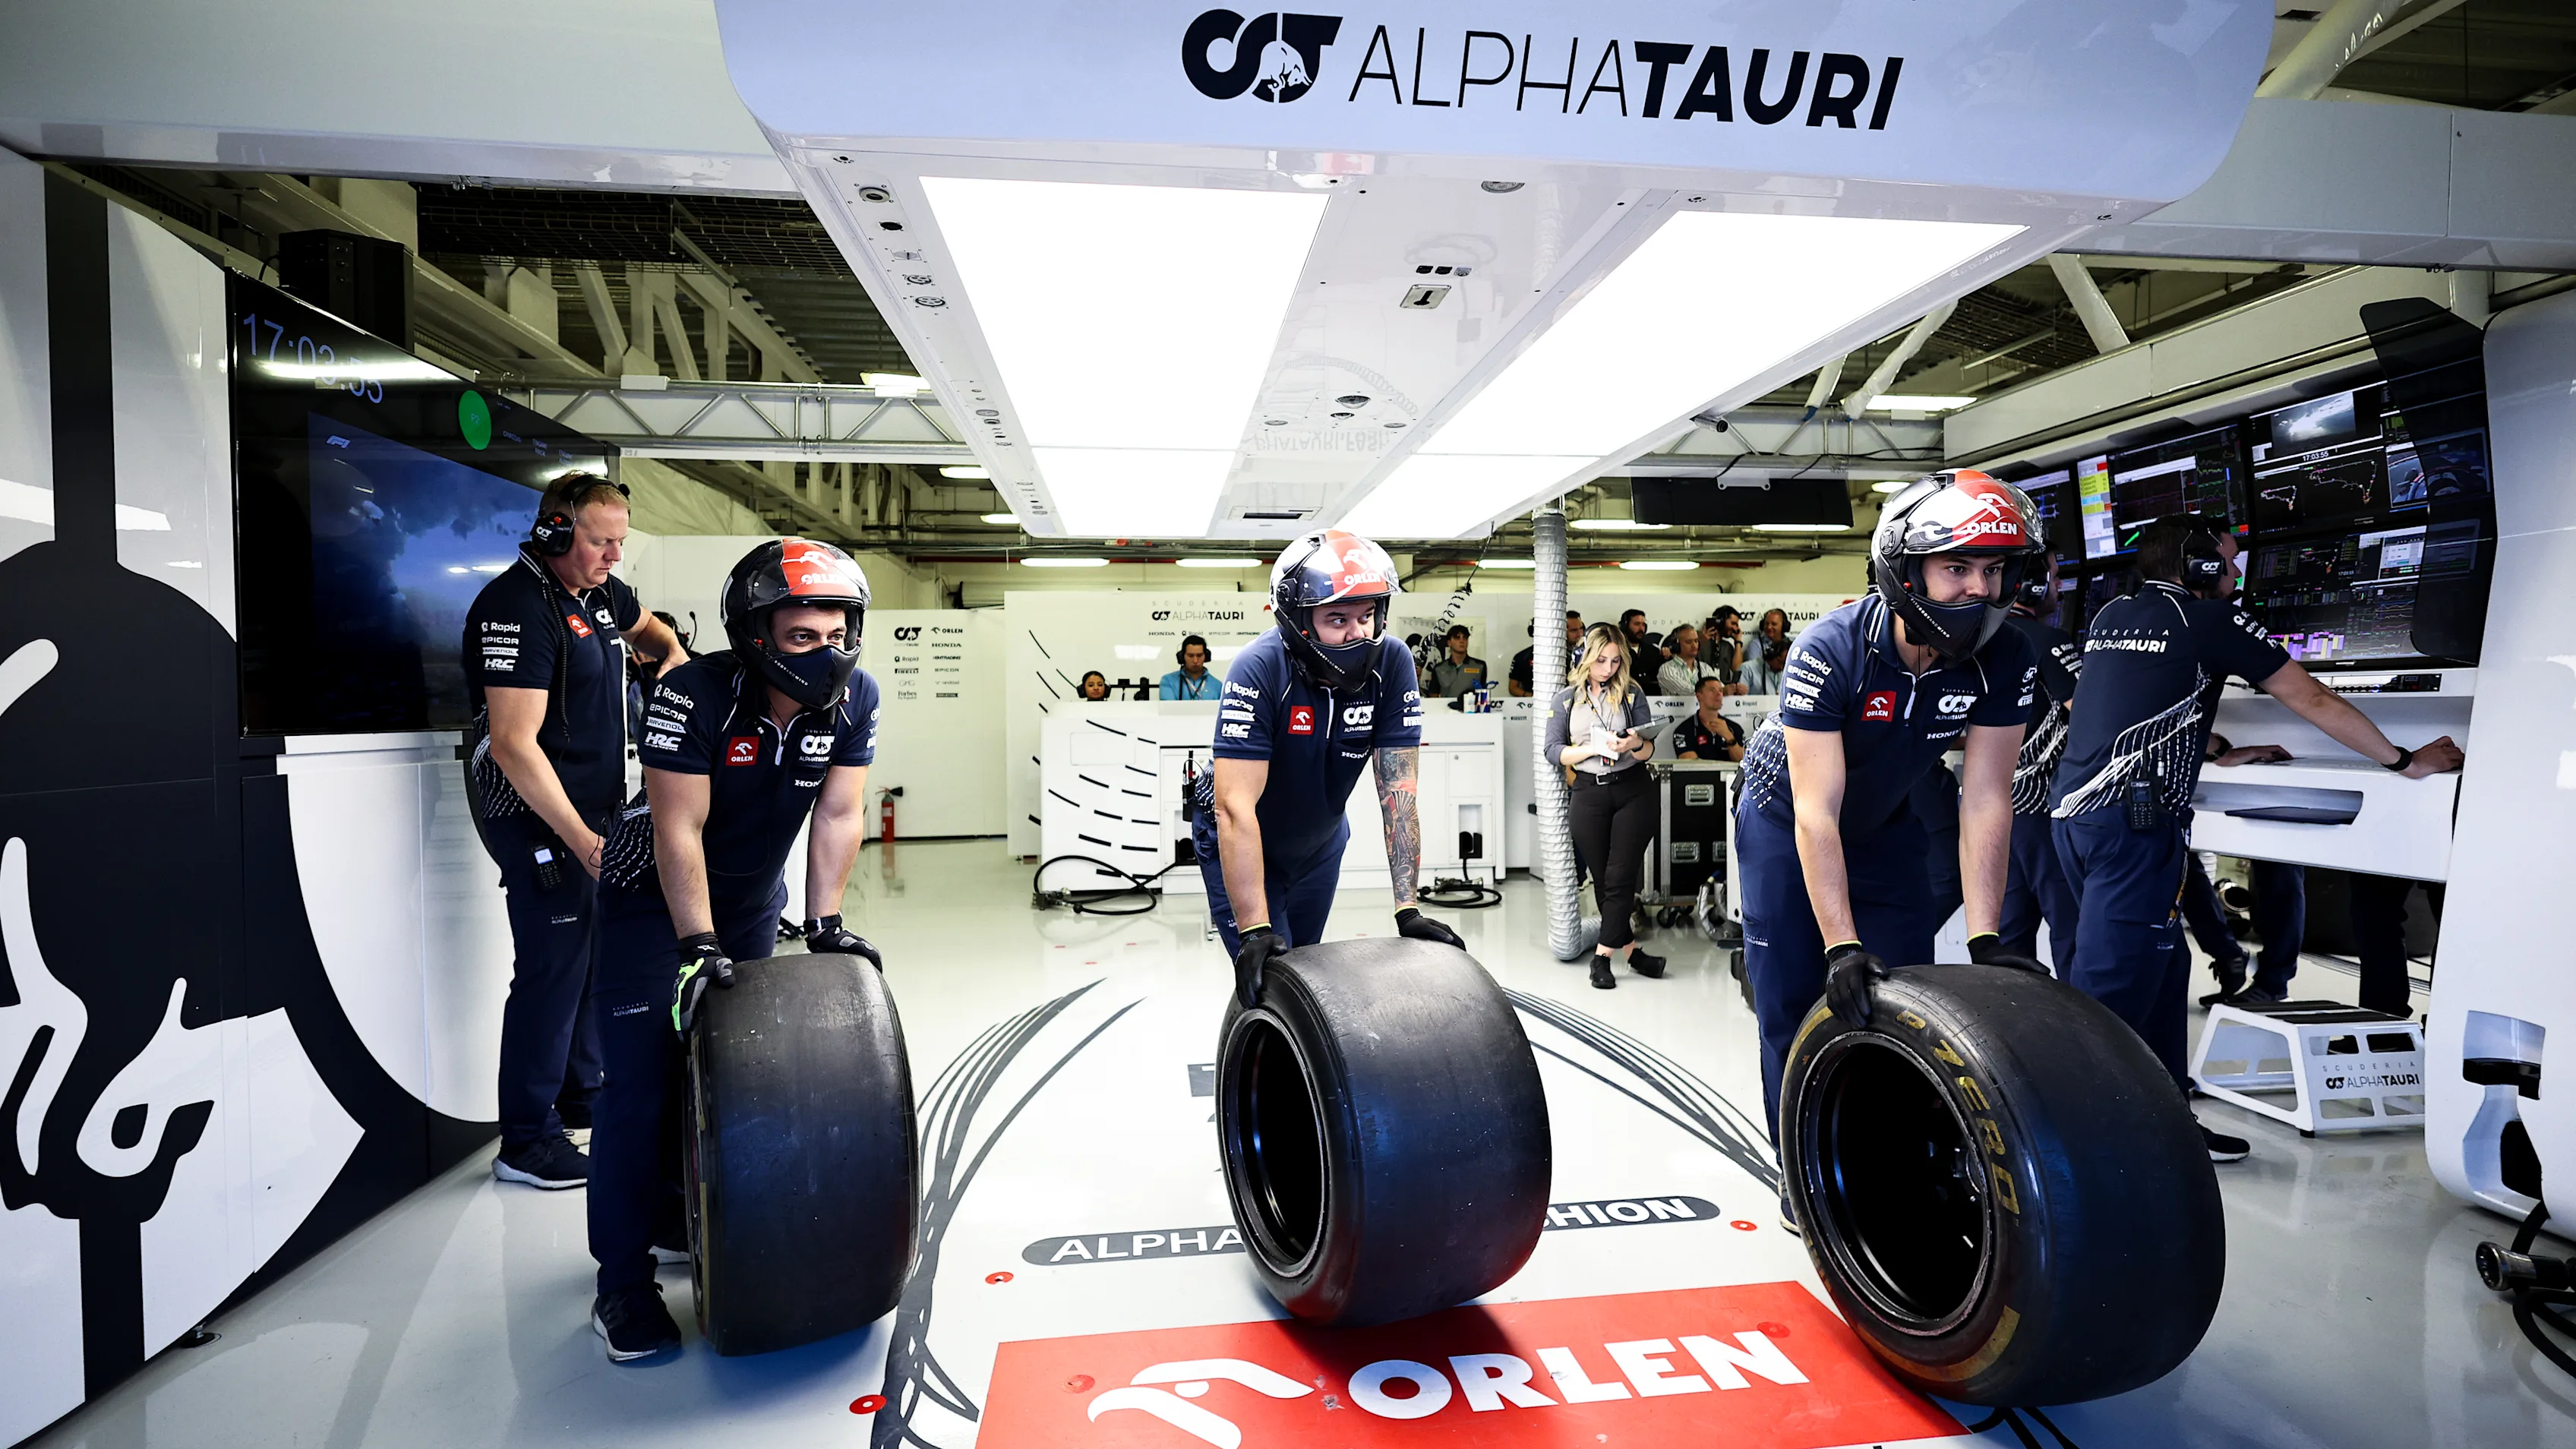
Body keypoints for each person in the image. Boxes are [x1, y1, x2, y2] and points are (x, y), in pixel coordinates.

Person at [2050, 516, 2463, 1163]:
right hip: (2137, 826)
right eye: (2230, 560)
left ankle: (2168, 1121)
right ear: (2200, 566)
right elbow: (2314, 700)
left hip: (2078, 816)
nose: (2238, 574)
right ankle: (2078, 1148)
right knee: (2112, 989)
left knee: (2164, 965)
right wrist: (2403, 760)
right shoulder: (2209, 622)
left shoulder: (2112, 615)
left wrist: (2217, 749)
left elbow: (2129, 706)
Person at [584, 538, 882, 1361]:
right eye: (801, 638)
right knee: (637, 1088)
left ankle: (676, 1210)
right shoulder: (691, 692)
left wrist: (823, 925)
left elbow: (837, 813)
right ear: (754, 636)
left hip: (753, 905)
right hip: (653, 907)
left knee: (725, 1078)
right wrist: (695, 943)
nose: (826, 653)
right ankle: (619, 1284)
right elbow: (676, 825)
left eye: (837, 635)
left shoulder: (855, 699)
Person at [1732, 471, 2044, 1189]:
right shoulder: (1828, 648)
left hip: (1886, 821)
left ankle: (1888, 1156)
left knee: (1902, 994)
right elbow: (1816, 811)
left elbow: (1988, 795)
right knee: (1791, 999)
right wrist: (1841, 945)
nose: (1978, 588)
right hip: (1787, 820)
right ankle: (1801, 1176)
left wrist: (1986, 937)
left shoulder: (2007, 656)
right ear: (1906, 573)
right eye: (1956, 568)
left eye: (1993, 569)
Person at [465, 472, 690, 1191]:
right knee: (553, 963)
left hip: (594, 804)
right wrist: (583, 842)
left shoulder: (598, 594)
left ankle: (580, 1095)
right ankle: (526, 1141)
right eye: (601, 541)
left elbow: (658, 637)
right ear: (556, 530)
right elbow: (512, 744)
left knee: (593, 953)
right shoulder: (515, 605)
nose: (614, 556)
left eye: (621, 542)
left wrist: (672, 683)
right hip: (528, 808)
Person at [1202, 530, 1465, 1007]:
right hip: (1243, 839)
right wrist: (1255, 930)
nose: (1358, 632)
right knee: (1274, 984)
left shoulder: (1393, 661)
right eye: (1337, 618)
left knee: (1305, 969)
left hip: (1319, 843)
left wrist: (1408, 909)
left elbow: (1399, 792)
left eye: (1367, 615)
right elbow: (1234, 807)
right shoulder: (1257, 668)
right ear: (1298, 622)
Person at [1547, 625, 1668, 990]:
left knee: (1620, 877)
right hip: (1588, 792)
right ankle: (1631, 953)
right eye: (1601, 660)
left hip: (1633, 791)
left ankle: (1602, 957)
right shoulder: (1567, 699)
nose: (1609, 668)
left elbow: (1649, 749)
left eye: (1616, 661)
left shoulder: (1632, 694)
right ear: (1586, 656)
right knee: (1603, 880)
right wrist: (1594, 750)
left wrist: (1633, 744)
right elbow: (1554, 751)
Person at [1996, 557, 2084, 971]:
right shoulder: (2047, 640)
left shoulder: (1979, 638)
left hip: (1993, 810)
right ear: (2031, 585)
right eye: (2056, 576)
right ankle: (2085, 1032)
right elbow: (2088, 714)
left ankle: (2012, 1028)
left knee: (2008, 938)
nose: (2061, 586)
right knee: (2072, 929)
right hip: (2042, 810)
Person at [1509, 611, 1583, 697]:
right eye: (1574, 630)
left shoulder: (1582, 656)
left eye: (1581, 629)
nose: (1580, 634)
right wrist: (1534, 698)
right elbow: (1513, 688)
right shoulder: (1523, 657)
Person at [1674, 676, 1744, 762]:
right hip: (1701, 776)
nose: (1718, 694)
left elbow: (1742, 761)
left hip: (1731, 776)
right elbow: (1690, 763)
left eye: (1721, 690)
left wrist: (1729, 737)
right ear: (1699, 696)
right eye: (1712, 690)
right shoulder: (1683, 730)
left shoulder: (1734, 728)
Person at [1656, 623, 1725, 696]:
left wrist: (1731, 689)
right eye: (1689, 642)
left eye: (1696, 641)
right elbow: (1685, 691)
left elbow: (1720, 687)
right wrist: (1716, 692)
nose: (1694, 646)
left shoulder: (1705, 668)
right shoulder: (1667, 669)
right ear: (1676, 645)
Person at [1737, 609, 1795, 693]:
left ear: (1784, 626)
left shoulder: (1793, 644)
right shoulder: (1756, 646)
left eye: (1774, 624)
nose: (1769, 627)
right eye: (1767, 624)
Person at [1425, 624, 1488, 699]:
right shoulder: (1439, 669)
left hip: (1471, 708)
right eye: (1457, 637)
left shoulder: (1480, 666)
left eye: (1465, 638)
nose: (1462, 641)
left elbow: (1483, 694)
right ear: (1449, 643)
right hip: (1445, 709)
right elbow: (1433, 696)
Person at [1159, 635, 1220, 700]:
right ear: (1182, 657)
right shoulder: (1168, 682)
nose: (1195, 661)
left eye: (1199, 655)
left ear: (1206, 657)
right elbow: (1169, 709)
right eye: (1190, 656)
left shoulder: (1218, 686)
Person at [1705, 605, 1747, 687]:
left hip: (1724, 693)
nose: (1735, 628)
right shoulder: (1699, 641)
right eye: (1733, 624)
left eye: (1737, 625)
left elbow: (1737, 669)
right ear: (1721, 621)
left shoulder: (1728, 647)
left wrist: (1738, 642)